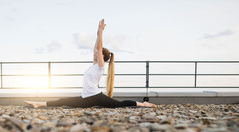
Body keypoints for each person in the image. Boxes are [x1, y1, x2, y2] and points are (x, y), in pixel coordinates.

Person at [24, 19, 155, 108]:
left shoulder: (100, 66)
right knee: (63, 101)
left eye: (97, 54)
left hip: (95, 97)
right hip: (86, 97)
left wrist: (101, 32)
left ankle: (144, 104)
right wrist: (98, 32)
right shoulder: (94, 65)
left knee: (119, 105)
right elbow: (96, 47)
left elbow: (99, 47)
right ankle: (38, 103)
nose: (94, 54)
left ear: (102, 57)